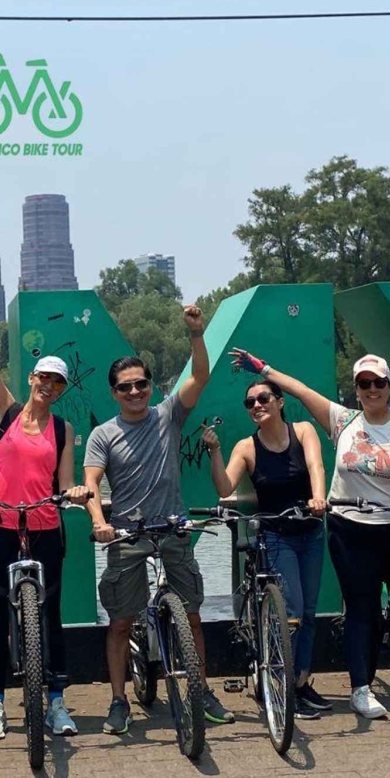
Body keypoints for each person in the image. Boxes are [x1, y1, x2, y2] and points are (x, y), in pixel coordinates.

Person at [230, 349, 390, 719]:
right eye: (364, 383)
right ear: (356, 388)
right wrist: (263, 369)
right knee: (362, 608)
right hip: (353, 527)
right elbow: (298, 389)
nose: (372, 389)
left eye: (379, 382)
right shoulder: (342, 420)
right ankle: (361, 688)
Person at [87, 312, 235, 736]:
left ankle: (201, 689)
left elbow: (201, 376)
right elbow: (91, 483)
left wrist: (195, 333)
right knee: (118, 620)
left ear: (150, 386)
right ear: (114, 393)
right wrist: (100, 520)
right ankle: (118, 701)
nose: (135, 391)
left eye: (141, 384)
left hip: (173, 528)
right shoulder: (103, 435)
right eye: (125, 387)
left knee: (190, 615)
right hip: (128, 534)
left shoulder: (168, 414)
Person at [0, 260, 91, 740]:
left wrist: (73, 492)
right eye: (43, 378)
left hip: (43, 529)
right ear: (33, 378)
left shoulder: (64, 429)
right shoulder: (8, 411)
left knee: (50, 617)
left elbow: (62, 483)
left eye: (57, 382)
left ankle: (57, 701)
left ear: (61, 389)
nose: (48, 386)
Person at [201, 375, 329, 718]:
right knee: (293, 611)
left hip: (311, 530)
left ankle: (301, 682)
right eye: (250, 403)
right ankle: (284, 686)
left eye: (263, 399)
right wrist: (215, 452)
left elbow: (316, 465)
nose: (257, 405)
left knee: (309, 611)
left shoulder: (302, 432)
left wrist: (319, 497)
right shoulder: (247, 447)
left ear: (280, 401)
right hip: (275, 535)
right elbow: (225, 486)